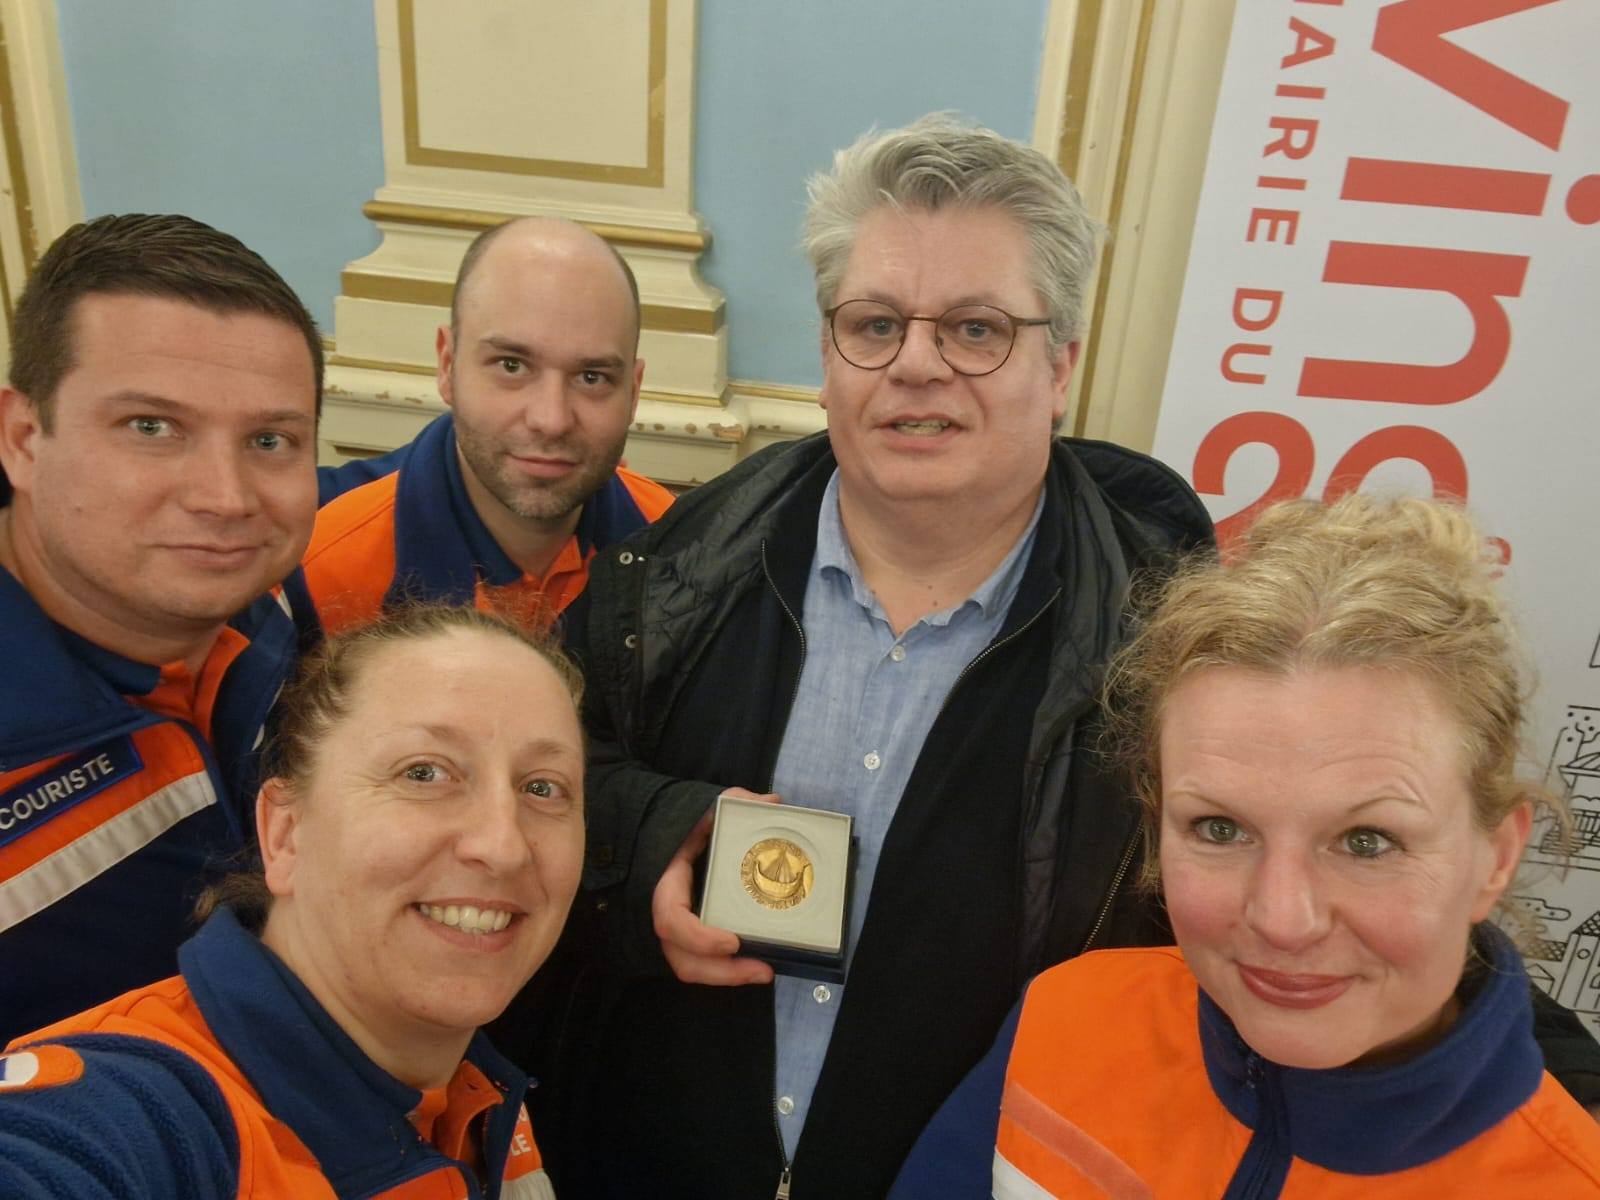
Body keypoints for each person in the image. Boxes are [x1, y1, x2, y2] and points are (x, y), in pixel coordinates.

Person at [520, 114, 1214, 1199]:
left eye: (976, 330)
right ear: (829, 348)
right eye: (875, 323)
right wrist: (651, 833)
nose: (917, 366)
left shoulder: (1169, 646)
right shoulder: (665, 577)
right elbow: (539, 779)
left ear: (1061, 363)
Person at [892, 495, 1600, 1197]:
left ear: (1496, 857)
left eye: (1367, 841)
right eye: (1220, 829)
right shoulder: (1065, 1021)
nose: (1282, 919)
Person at [0, 605, 583, 1198]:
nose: (503, 845)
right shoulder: (143, 1116)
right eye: (424, 773)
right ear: (285, 833)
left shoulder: (474, 1096)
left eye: (543, 787)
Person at [0, 213, 321, 1044]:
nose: (226, 496)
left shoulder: (268, 600)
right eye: (152, 428)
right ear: (24, 438)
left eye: (270, 439)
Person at [289, 217, 674, 637]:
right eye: (512, 365)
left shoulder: (679, 549)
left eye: (592, 377)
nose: (552, 420)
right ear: (447, 365)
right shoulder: (323, 571)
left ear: (633, 392)